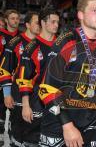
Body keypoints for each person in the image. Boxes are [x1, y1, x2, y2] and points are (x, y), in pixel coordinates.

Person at [38, 0, 96, 147]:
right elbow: (47, 88)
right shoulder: (66, 42)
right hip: (59, 122)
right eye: (94, 10)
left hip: (93, 122)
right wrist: (67, 125)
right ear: (80, 14)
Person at [14, 9, 59, 147]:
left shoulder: (63, 45)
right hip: (36, 100)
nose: (56, 25)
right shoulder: (31, 47)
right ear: (43, 23)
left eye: (58, 22)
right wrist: (26, 105)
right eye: (53, 21)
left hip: (58, 100)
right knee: (32, 139)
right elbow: (24, 79)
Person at [0, 11, 40, 147]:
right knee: (17, 133)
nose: (40, 25)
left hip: (37, 96)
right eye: (36, 22)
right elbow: (4, 69)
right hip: (17, 93)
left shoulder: (43, 43)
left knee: (33, 136)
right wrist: (6, 94)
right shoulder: (15, 42)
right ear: (27, 25)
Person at [0, 9, 20, 146]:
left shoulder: (22, 37)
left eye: (17, 18)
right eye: (12, 18)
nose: (16, 21)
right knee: (1, 108)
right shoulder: (1, 35)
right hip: (2, 78)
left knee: (15, 110)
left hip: (17, 80)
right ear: (6, 20)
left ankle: (14, 137)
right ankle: (1, 135)